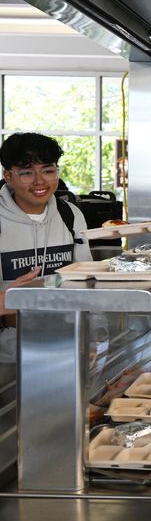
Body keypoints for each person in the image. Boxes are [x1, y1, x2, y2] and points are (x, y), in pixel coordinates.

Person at [0, 132, 92, 362]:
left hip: (66, 344)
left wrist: (95, 335)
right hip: (6, 355)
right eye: (27, 173)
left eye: (48, 171)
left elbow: (87, 279)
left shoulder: (70, 214)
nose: (40, 181)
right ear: (8, 176)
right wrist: (10, 300)